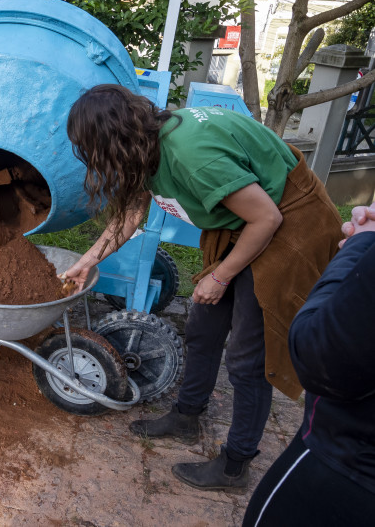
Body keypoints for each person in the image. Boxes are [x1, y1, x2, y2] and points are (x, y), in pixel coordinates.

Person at [59, 85, 343, 490]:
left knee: (249, 358)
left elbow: (266, 219)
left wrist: (221, 275)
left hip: (285, 223)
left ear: (112, 139)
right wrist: (87, 261)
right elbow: (135, 209)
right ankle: (186, 417)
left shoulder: (192, 154)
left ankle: (235, 464)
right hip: (242, 224)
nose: (92, 159)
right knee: (203, 328)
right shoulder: (148, 143)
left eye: (90, 148)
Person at [242, 202, 375, 525]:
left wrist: (359, 248)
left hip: (346, 466)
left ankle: (236, 458)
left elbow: (320, 356)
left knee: (244, 361)